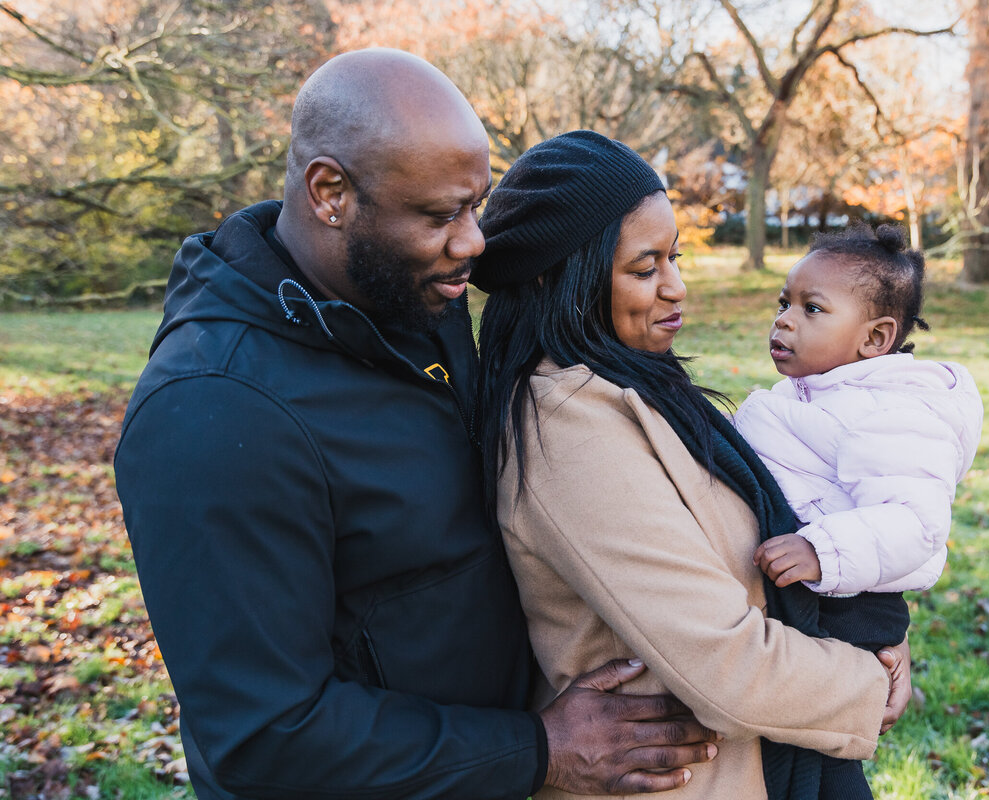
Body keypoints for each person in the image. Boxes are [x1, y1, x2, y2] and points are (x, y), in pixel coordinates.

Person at [114, 49, 723, 800]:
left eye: (476, 204)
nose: (473, 242)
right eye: (441, 215)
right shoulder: (211, 413)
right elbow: (264, 734)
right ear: (331, 192)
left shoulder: (410, 299)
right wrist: (540, 749)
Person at [471, 130, 913, 800]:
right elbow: (725, 664)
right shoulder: (567, 425)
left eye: (674, 258)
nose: (676, 289)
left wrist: (875, 627)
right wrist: (866, 680)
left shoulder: (632, 387)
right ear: (555, 276)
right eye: (645, 269)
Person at [733, 223, 984, 798]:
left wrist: (823, 551)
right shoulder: (818, 394)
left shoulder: (890, 413)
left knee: (821, 765)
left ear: (874, 339)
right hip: (810, 603)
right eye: (784, 302)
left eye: (812, 308)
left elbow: (916, 526)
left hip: (848, 611)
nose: (784, 320)